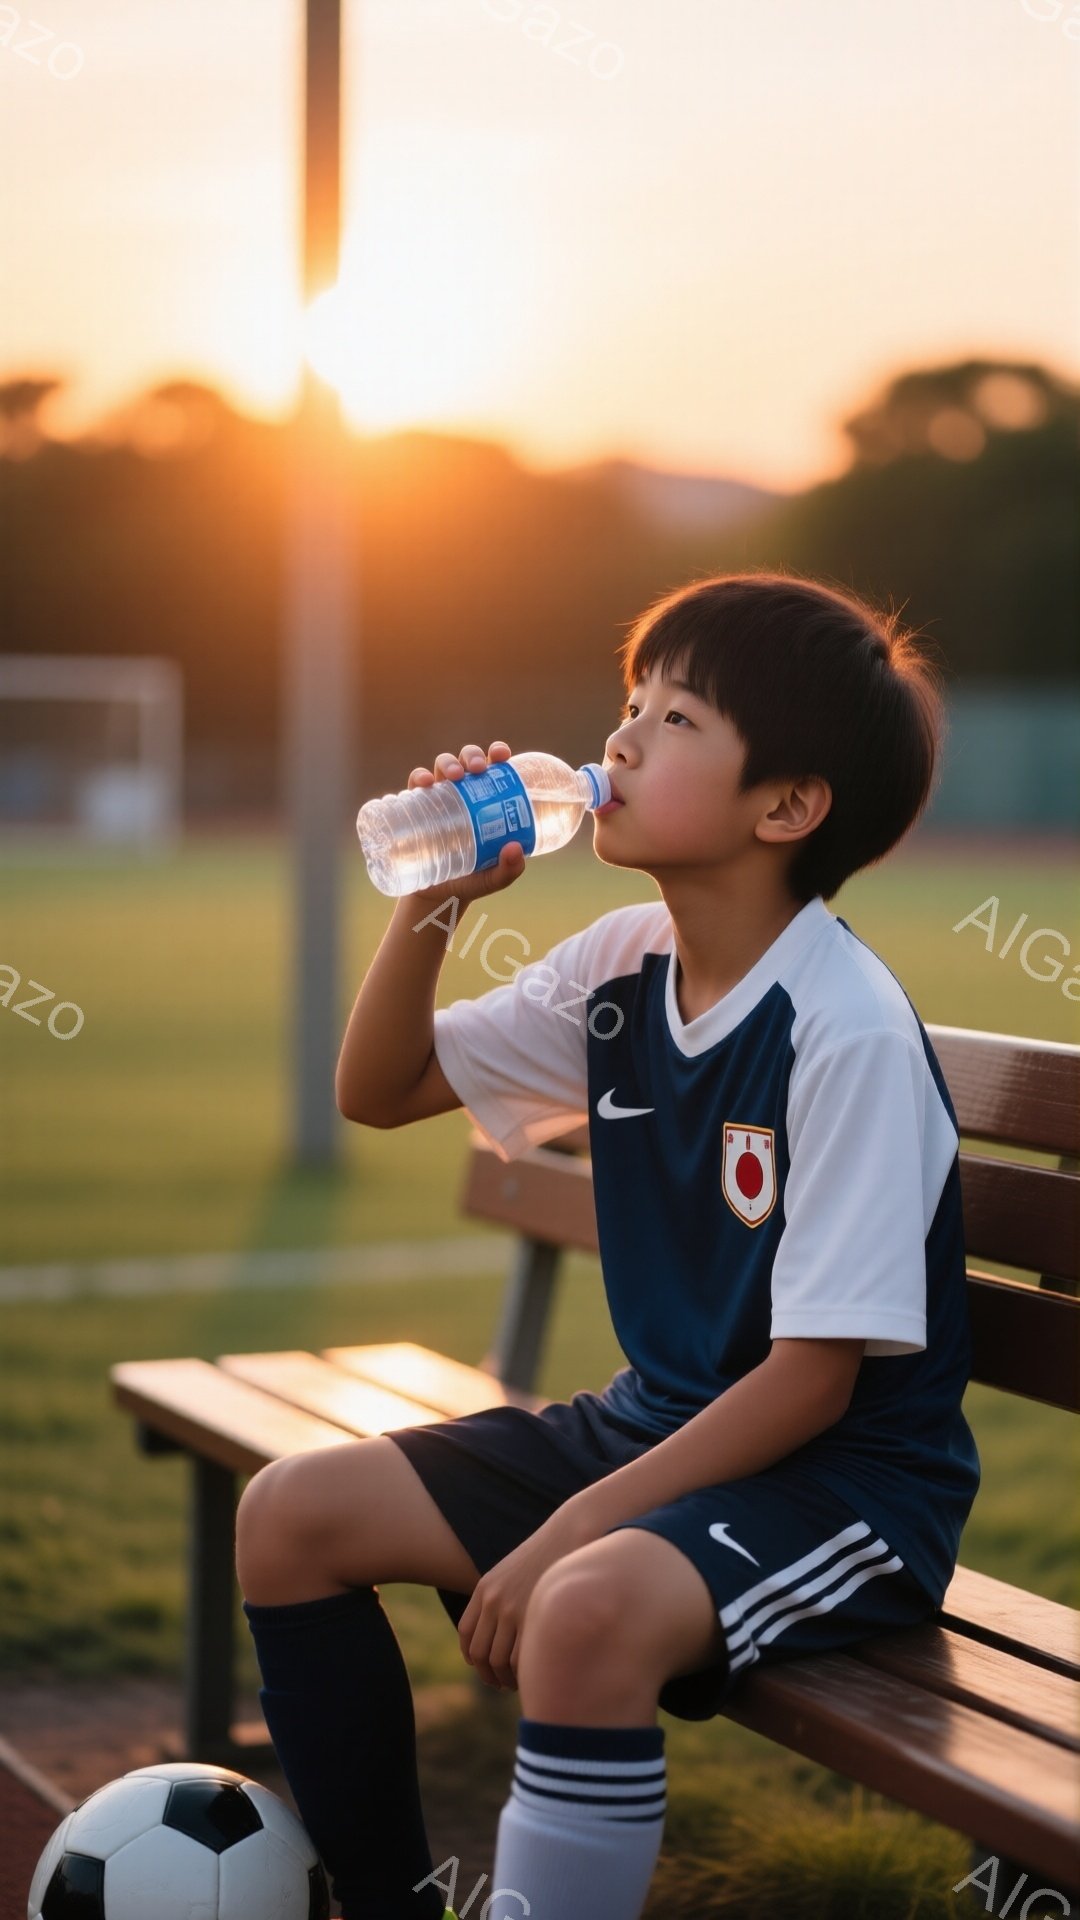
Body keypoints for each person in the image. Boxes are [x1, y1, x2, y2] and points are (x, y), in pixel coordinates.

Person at [236, 569, 981, 1920]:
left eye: (679, 717)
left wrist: (575, 1526)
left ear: (789, 806)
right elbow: (382, 1086)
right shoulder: (624, 959)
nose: (622, 740)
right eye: (630, 703)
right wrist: (443, 897)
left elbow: (816, 1384)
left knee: (579, 1609)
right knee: (290, 1515)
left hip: (847, 1493)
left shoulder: (845, 1027)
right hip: (661, 1432)